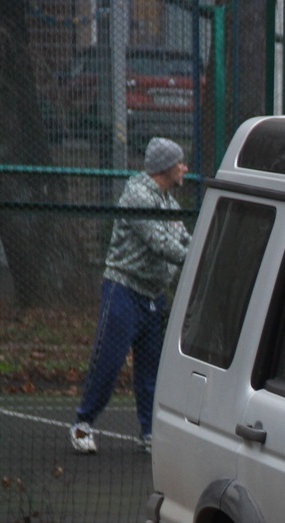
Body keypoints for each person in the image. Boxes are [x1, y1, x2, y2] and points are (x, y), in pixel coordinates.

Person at [69, 137, 192, 455]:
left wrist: (202, 251)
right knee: (109, 361)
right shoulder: (137, 194)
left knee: (151, 369)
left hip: (153, 295)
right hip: (123, 289)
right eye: (180, 163)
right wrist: (195, 258)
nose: (185, 168)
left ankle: (150, 433)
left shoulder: (170, 204)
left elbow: (183, 239)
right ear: (166, 167)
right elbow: (159, 243)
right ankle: (83, 424)